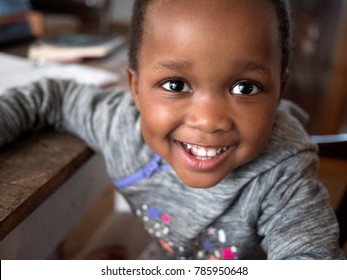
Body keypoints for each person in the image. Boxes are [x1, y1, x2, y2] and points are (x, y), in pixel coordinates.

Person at [0, 0, 345, 259]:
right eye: (176, 84)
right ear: (134, 88)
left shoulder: (283, 174)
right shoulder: (122, 128)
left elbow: (308, 256)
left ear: (279, 92)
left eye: (245, 88)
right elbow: (54, 97)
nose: (209, 120)